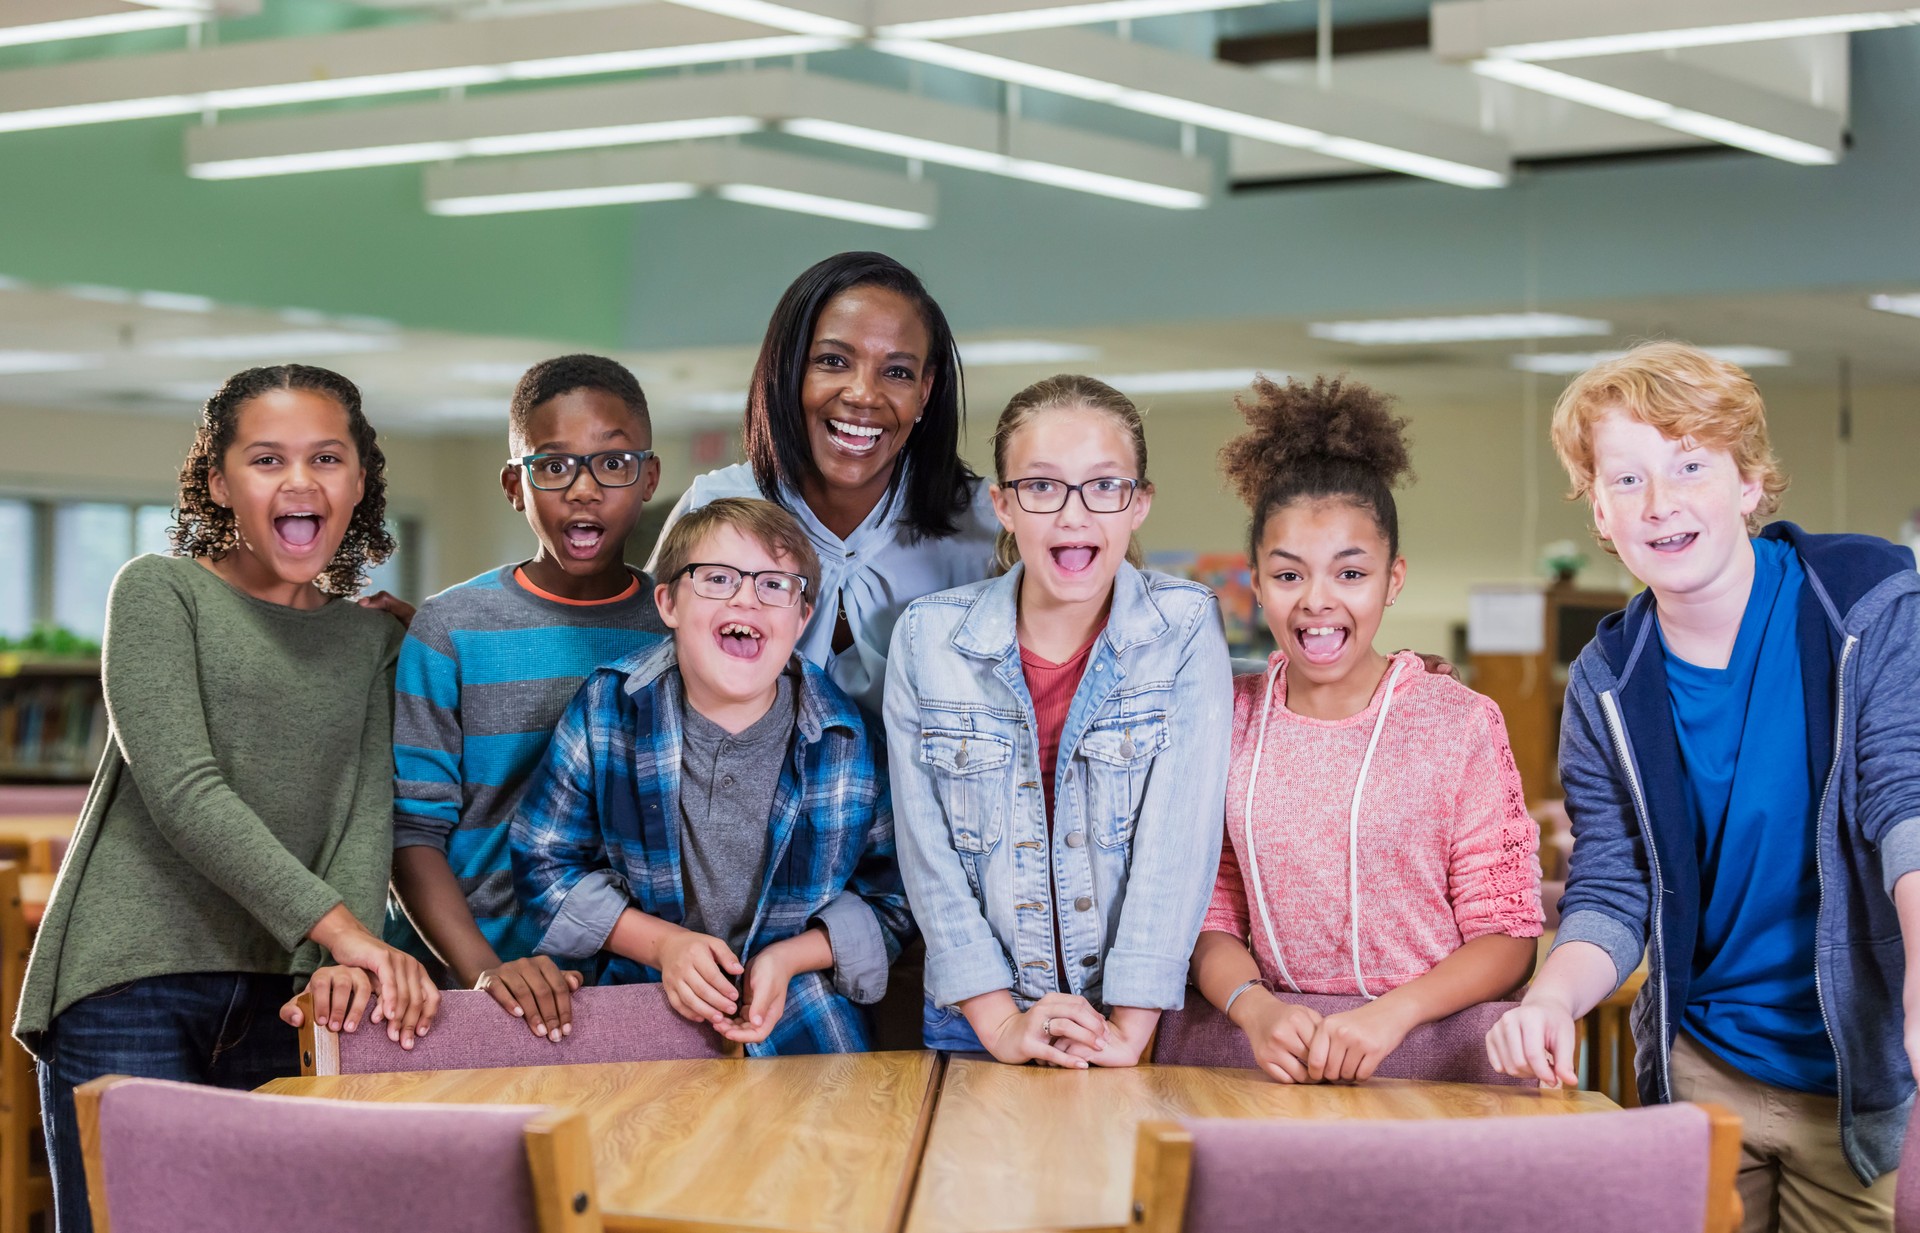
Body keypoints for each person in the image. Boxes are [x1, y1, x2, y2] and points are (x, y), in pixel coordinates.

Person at [1485, 342, 1920, 1232]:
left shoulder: (1868, 601)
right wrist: (1550, 996)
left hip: (1855, 1075)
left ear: (1750, 482)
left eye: (1690, 464)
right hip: (1700, 1073)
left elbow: (1904, 799)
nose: (1662, 501)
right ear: (1599, 511)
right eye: (1628, 478)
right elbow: (1612, 885)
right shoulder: (1608, 678)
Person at [14, 365, 438, 1233]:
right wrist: (347, 933)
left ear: (360, 481)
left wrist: (336, 967)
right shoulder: (159, 593)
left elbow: (366, 815)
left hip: (285, 995)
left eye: (327, 457)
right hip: (132, 979)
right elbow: (182, 788)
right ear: (219, 482)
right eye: (266, 459)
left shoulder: (372, 642)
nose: (299, 481)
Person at [1189, 375, 1541, 1084]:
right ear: (1255, 583)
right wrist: (1254, 1008)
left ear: (1393, 578)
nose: (1318, 601)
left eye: (1350, 572)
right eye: (1288, 576)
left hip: (1432, 1054)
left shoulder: (1459, 721)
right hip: (1268, 1056)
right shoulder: (1221, 718)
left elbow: (1509, 934)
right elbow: (1209, 912)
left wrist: (1393, 1013)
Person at [886, 375, 1232, 1067]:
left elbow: (1178, 842)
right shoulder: (926, 637)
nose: (1074, 515)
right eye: (1043, 486)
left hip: (1135, 1018)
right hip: (979, 1023)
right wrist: (1000, 1024)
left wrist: (1127, 1028)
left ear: (1139, 504)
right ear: (1004, 504)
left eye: (1105, 485)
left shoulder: (1185, 624)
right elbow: (928, 859)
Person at [511, 498, 914, 1053]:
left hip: (802, 1020)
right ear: (668, 602)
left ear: (802, 617)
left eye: (775, 585)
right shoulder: (608, 708)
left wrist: (789, 957)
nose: (746, 597)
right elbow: (542, 863)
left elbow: (892, 901)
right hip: (640, 1011)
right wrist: (663, 946)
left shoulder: (850, 741)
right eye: (718, 579)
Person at [381, 355, 668, 1042]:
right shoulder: (451, 629)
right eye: (554, 465)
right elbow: (412, 833)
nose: (584, 490)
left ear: (649, 477)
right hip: (487, 992)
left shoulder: (679, 623)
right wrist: (483, 973)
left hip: (646, 988)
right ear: (516, 484)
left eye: (614, 463)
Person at [646, 251, 998, 718]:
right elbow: (653, 686)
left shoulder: (985, 529)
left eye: (897, 372)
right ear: (790, 371)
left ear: (925, 392)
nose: (863, 395)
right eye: (833, 361)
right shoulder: (715, 507)